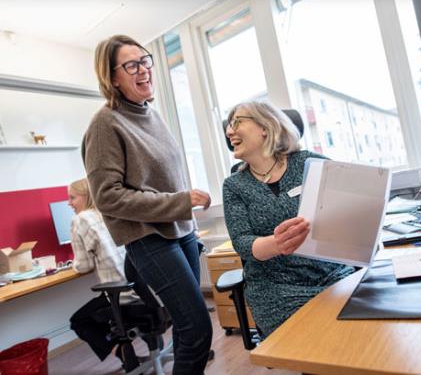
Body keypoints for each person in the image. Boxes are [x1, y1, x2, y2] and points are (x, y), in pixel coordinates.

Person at [82, 35, 212, 375]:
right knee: (198, 327)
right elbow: (108, 196)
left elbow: (166, 179)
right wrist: (179, 203)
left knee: (187, 329)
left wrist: (188, 217)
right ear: (112, 77)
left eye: (145, 61)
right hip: (148, 238)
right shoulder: (105, 124)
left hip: (181, 232)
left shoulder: (151, 115)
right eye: (131, 65)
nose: (143, 70)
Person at [222, 101, 356, 338]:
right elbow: (242, 242)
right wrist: (277, 244)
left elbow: (349, 212)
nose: (229, 131)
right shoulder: (234, 185)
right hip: (276, 289)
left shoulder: (311, 163)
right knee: (320, 340)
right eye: (228, 126)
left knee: (361, 335)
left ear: (265, 126)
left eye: (237, 122)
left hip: (333, 276)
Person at [68, 178, 139, 366]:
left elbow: (83, 266)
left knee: (79, 321)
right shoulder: (108, 213)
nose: (69, 203)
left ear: (86, 196)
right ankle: (128, 348)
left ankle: (121, 351)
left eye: (72, 198)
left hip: (120, 295)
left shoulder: (80, 219)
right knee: (96, 313)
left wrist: (72, 264)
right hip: (141, 291)